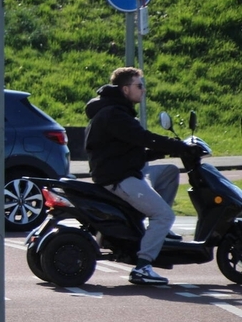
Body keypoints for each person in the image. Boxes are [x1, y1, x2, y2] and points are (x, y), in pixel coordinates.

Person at [84, 67, 202, 286]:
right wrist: (179, 146)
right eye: (139, 85)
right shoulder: (114, 114)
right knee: (164, 215)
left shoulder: (116, 110)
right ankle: (143, 267)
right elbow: (142, 137)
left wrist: (164, 151)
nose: (143, 90)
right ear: (126, 89)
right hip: (119, 179)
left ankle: (157, 233)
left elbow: (126, 148)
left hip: (125, 170)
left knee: (169, 172)